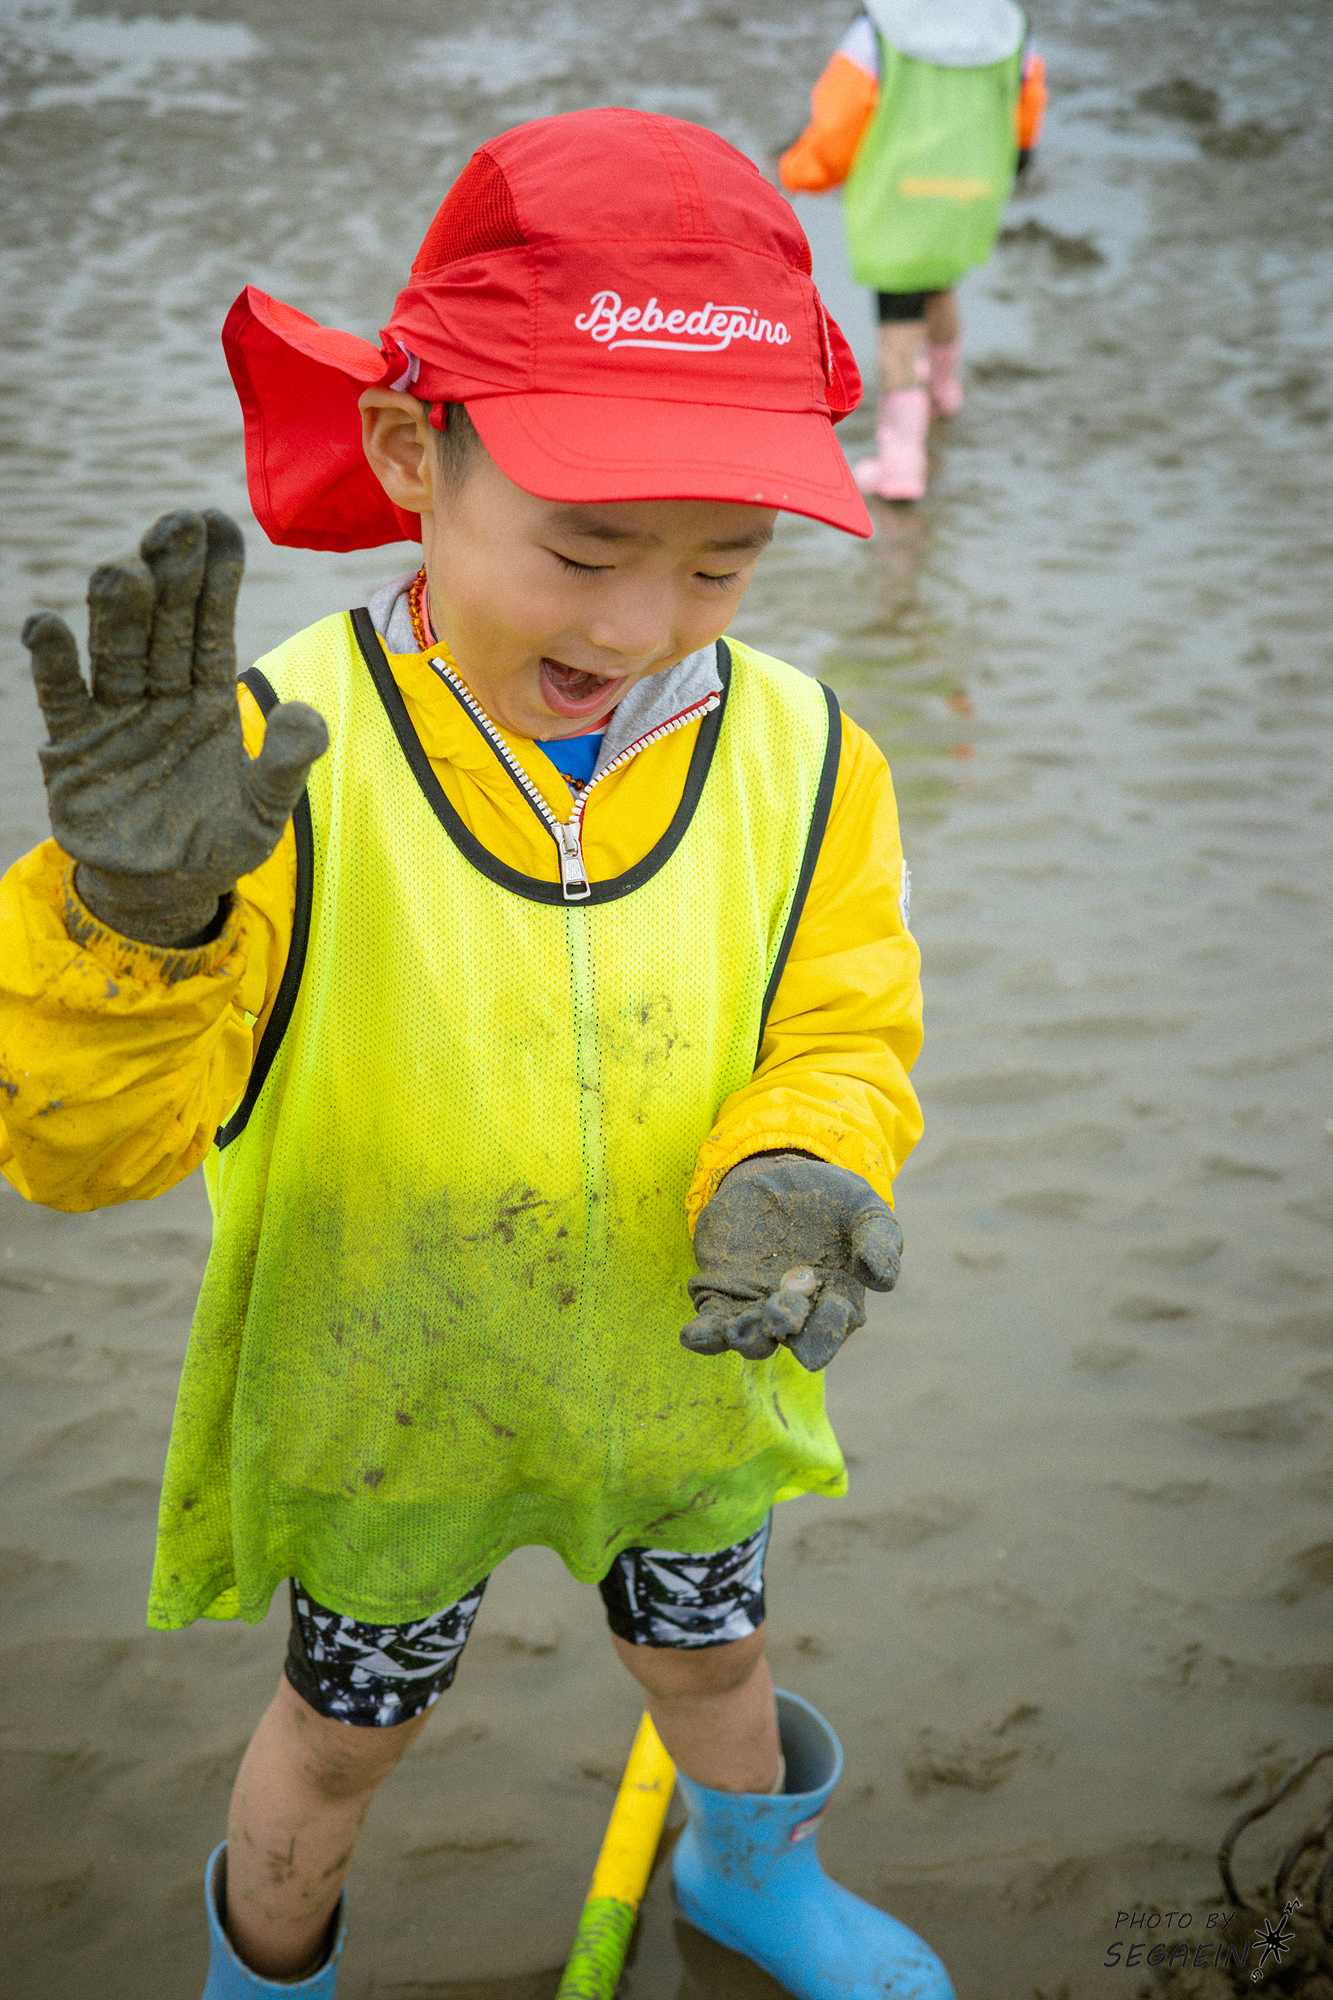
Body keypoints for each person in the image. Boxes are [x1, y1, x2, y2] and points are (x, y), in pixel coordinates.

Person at [1, 110, 947, 2000]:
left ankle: (752, 1881)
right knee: (340, 1738)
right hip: (390, 1389)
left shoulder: (807, 757)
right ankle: (266, 1970)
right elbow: (82, 1153)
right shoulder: (262, 768)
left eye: (721, 566)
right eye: (584, 547)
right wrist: (137, 924)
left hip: (681, 1370)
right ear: (408, 453)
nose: (639, 623)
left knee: (715, 1661)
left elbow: (845, 1021)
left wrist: (800, 1154)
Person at [781, 0, 1047, 500]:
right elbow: (1027, 103)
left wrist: (802, 170)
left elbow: (840, 115)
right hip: (973, 187)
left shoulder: (879, 26)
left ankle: (901, 461)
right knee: (941, 281)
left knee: (898, 317)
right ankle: (944, 392)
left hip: (900, 194)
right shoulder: (1008, 25)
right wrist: (1018, 158)